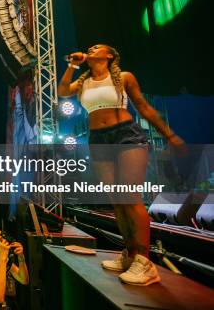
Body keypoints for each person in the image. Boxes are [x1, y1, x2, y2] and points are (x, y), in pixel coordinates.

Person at [58, 44, 185, 286]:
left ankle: (145, 262)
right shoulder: (83, 82)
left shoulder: (124, 77)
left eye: (97, 47)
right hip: (97, 139)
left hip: (126, 135)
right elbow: (63, 91)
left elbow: (144, 107)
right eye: (90, 47)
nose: (91, 48)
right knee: (117, 200)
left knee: (130, 197)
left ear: (109, 55)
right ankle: (130, 255)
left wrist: (170, 136)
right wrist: (72, 65)